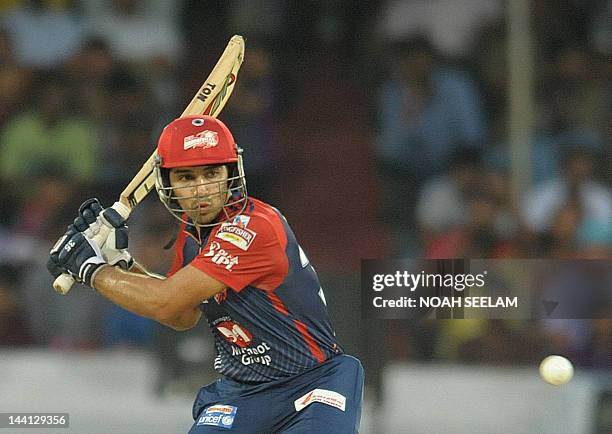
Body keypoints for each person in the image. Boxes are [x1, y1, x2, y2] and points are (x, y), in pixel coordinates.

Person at [48, 115, 364, 433]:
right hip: (242, 392)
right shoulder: (192, 234)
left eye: (211, 173)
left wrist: (91, 270)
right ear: (167, 183)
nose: (201, 190)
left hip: (311, 382)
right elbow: (182, 316)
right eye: (186, 177)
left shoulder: (253, 227)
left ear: (231, 173)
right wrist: (124, 266)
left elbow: (165, 302)